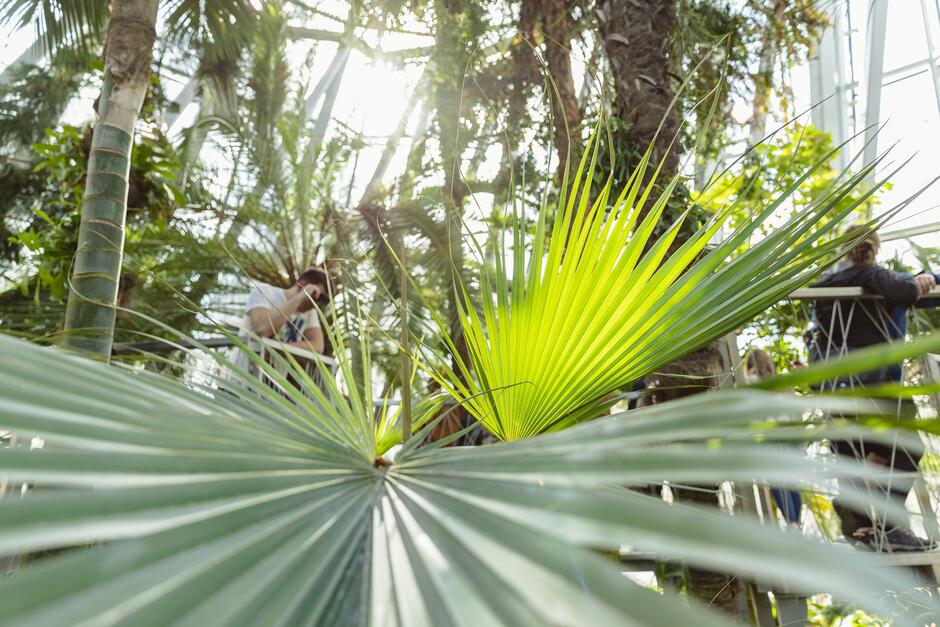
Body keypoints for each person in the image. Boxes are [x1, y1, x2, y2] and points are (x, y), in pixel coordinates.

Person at [807, 225, 937, 551]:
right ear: (874, 248)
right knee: (908, 450)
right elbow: (906, 295)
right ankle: (888, 526)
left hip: (837, 384)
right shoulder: (872, 276)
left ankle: (861, 526)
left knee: (855, 453)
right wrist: (923, 279)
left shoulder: (824, 285)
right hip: (876, 383)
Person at [229, 267, 331, 380]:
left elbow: (317, 347)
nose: (315, 304)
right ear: (301, 285)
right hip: (238, 379)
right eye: (314, 296)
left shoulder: (309, 313)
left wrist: (276, 350)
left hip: (271, 388)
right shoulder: (264, 291)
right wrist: (300, 297)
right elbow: (262, 329)